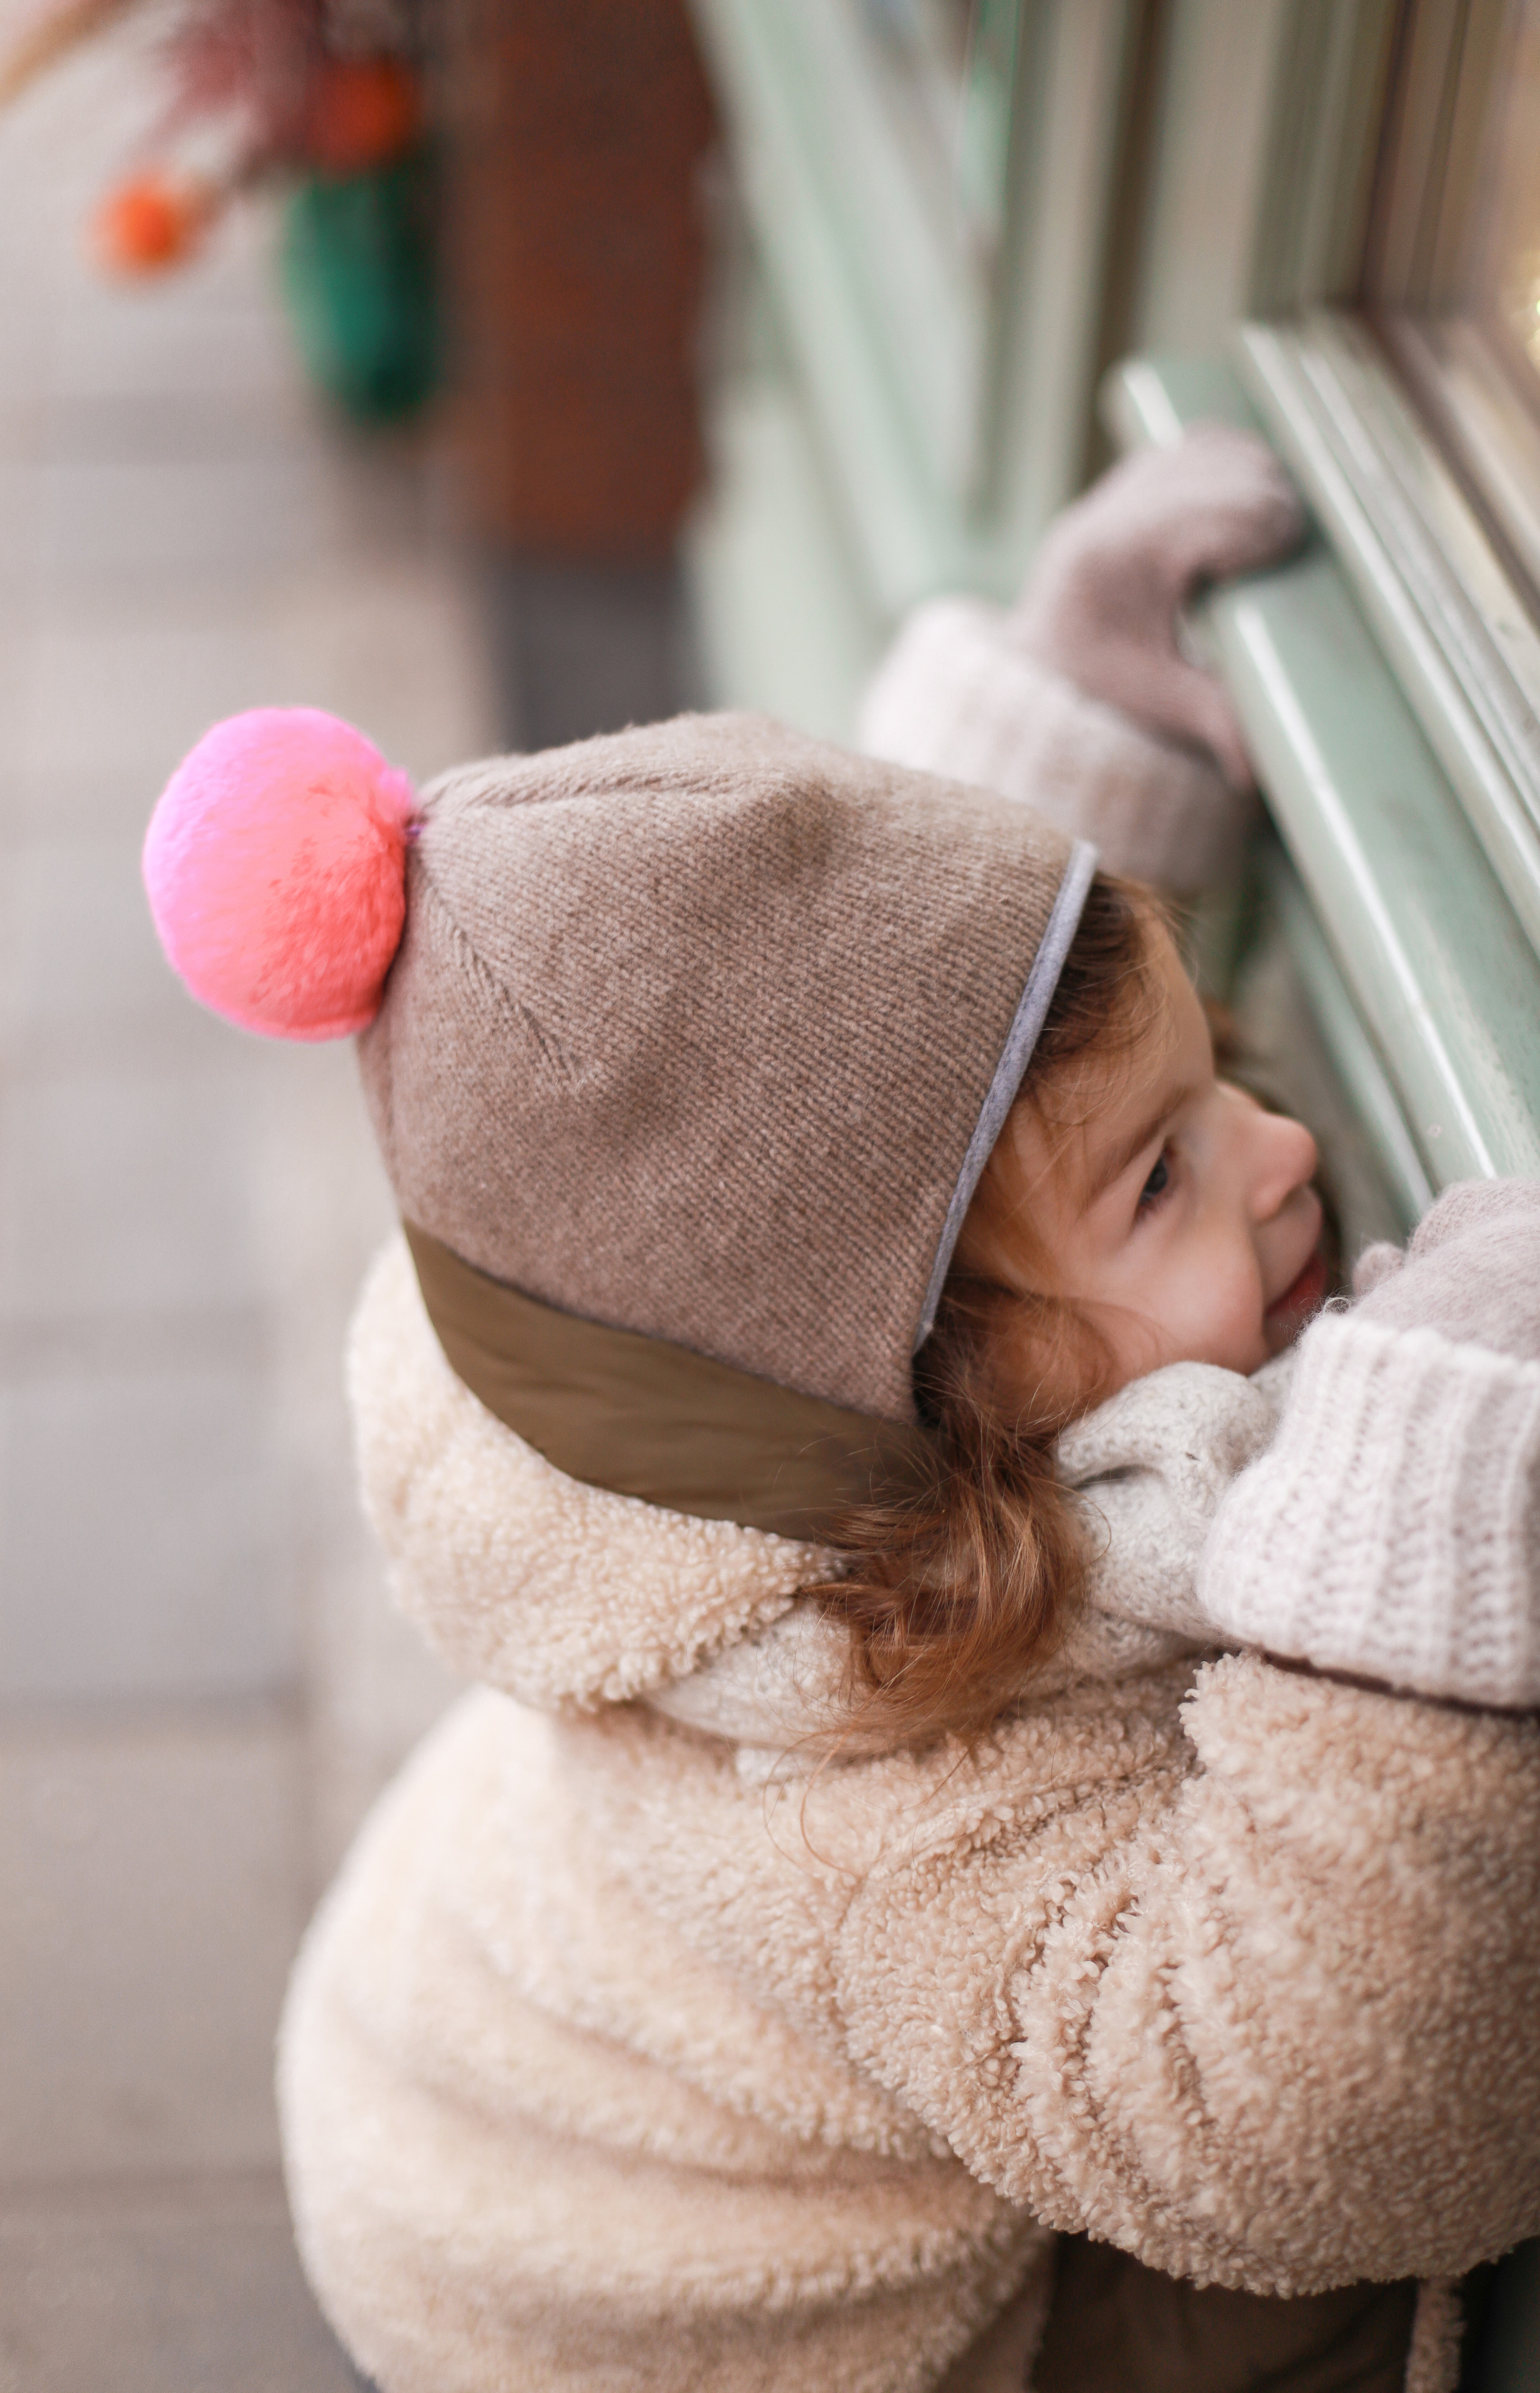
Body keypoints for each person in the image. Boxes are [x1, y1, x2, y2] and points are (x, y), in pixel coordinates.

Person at [140, 427, 1540, 2393]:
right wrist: (1432, 1533)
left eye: (1206, 1072)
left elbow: (874, 1092)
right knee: (1269, 2307)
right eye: (1163, 1177)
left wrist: (1057, 758)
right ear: (941, 1411)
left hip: (468, 2007)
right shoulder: (876, 1814)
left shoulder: (723, 1359)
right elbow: (1327, 2137)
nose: (1290, 1145)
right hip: (577, 2290)